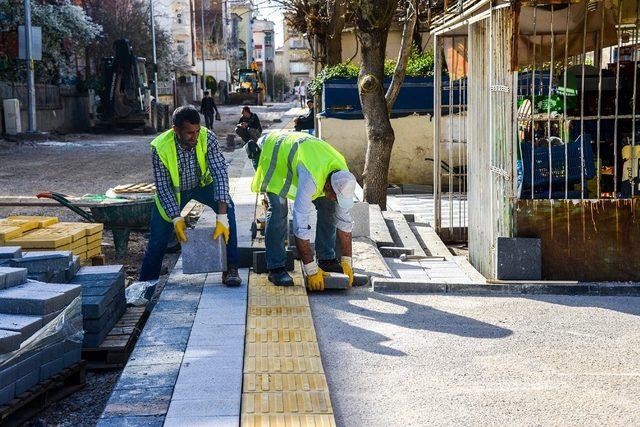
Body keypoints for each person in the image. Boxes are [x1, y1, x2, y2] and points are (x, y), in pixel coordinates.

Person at [140, 105, 241, 286]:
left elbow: (220, 172)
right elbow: (163, 187)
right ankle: (145, 285)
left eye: (197, 131)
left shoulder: (207, 136)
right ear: (175, 129)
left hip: (204, 185)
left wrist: (222, 216)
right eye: (189, 133)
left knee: (229, 213)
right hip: (175, 192)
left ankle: (231, 268)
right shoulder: (160, 147)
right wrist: (176, 218)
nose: (194, 137)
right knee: (157, 240)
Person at [251, 130, 357, 290]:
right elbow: (300, 226)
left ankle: (327, 259)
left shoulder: (342, 174)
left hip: (299, 155)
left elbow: (345, 222)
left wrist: (347, 261)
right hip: (272, 154)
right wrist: (311, 270)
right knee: (279, 210)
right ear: (327, 186)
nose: (337, 200)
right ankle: (276, 268)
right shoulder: (311, 179)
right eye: (335, 196)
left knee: (329, 206)